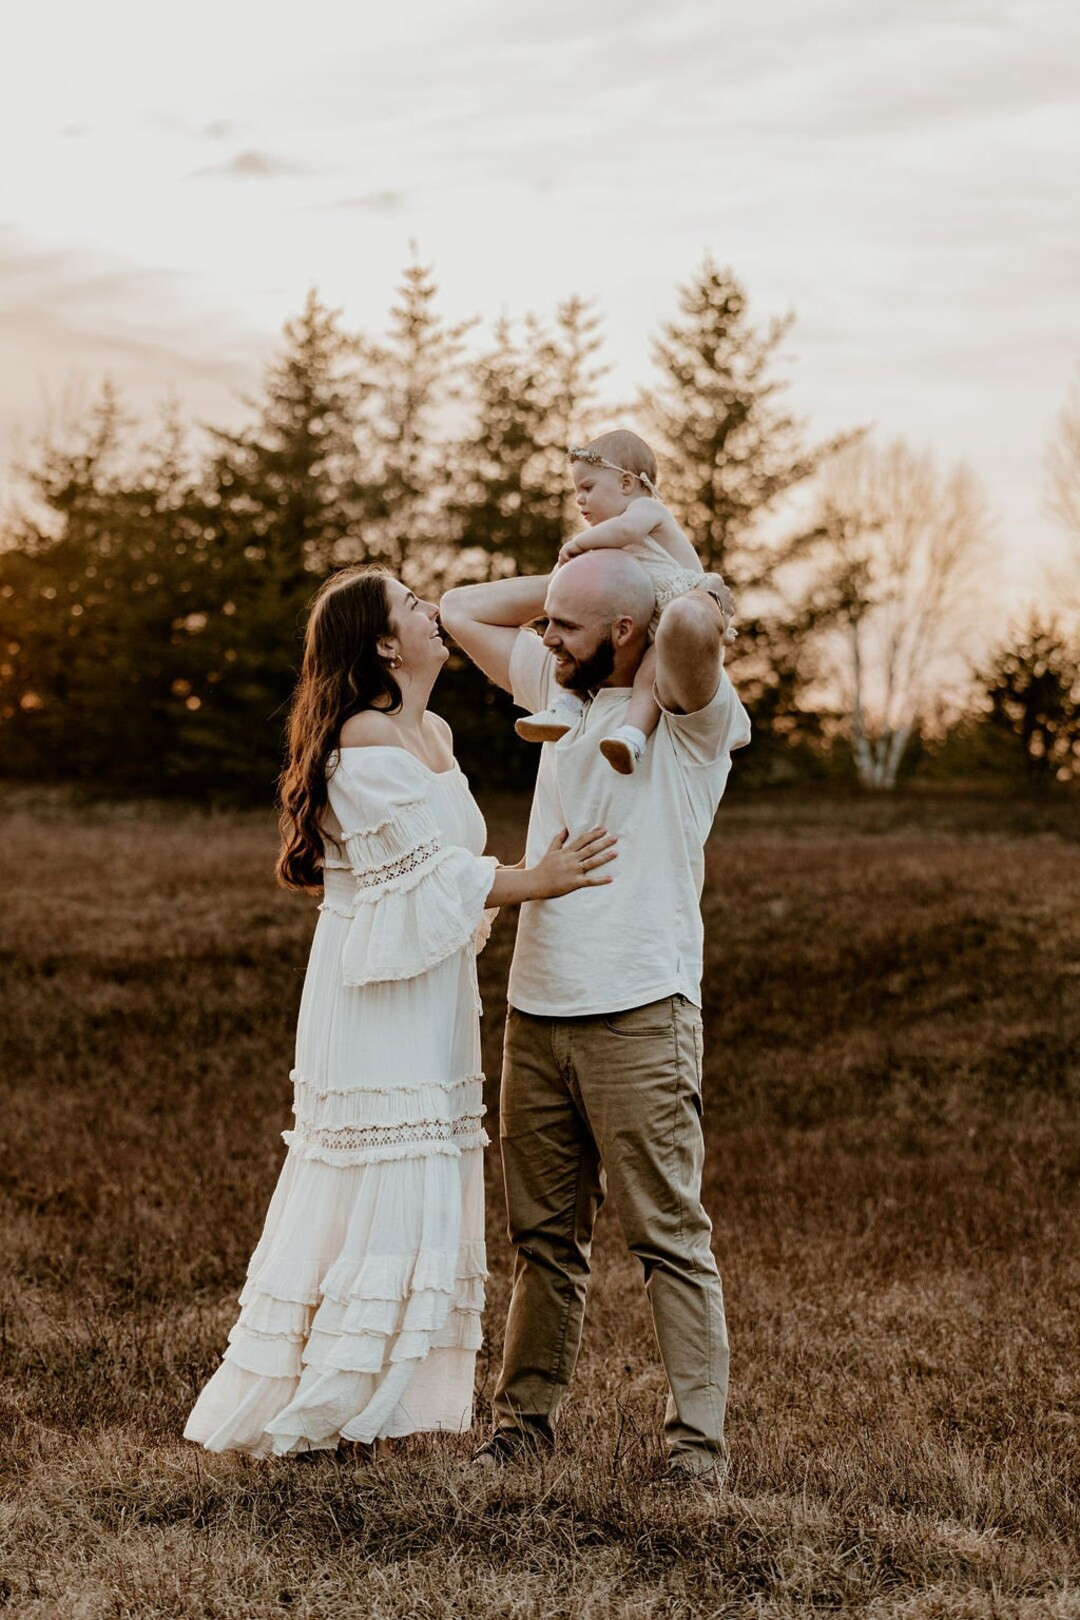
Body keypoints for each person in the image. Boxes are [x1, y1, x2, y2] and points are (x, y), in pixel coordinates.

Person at [184, 565, 617, 1459]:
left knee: (422, 1171)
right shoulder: (365, 737)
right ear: (386, 643)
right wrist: (541, 879)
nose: (432, 614)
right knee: (371, 1175)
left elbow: (448, 872)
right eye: (414, 607)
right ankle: (324, 1407)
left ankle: (374, 1409)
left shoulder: (436, 732)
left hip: (428, 984)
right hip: (371, 991)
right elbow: (419, 875)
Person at [440, 550, 750, 1484]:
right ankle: (522, 1428)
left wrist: (665, 573)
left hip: (641, 1014)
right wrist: (573, 583)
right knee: (542, 1241)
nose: (542, 640)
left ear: (627, 632)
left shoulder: (698, 717)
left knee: (667, 1237)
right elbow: (458, 608)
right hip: (535, 1010)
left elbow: (691, 631)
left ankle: (697, 1455)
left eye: (566, 627)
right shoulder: (558, 682)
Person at [514, 429, 734, 775]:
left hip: (678, 612)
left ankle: (631, 736)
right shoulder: (610, 533)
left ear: (627, 483)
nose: (579, 501)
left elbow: (626, 532)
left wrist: (578, 544)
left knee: (651, 676)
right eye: (576, 492)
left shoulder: (646, 510)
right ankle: (567, 708)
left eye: (587, 488)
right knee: (589, 652)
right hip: (644, 616)